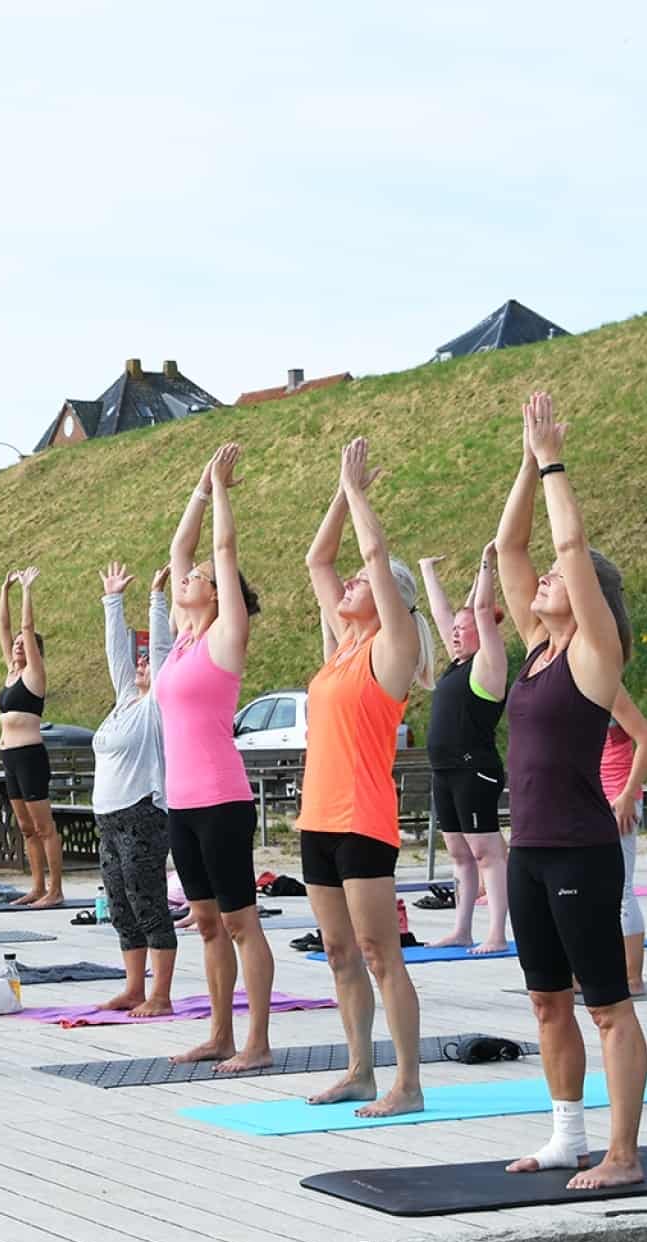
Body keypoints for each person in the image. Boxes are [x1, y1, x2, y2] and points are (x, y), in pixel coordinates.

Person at [495, 390, 647, 1190]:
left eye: (561, 578)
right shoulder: (535, 647)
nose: (545, 578)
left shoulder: (595, 655)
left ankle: (623, 1155)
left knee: (606, 1007)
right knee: (548, 1004)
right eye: (546, 579)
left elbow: (569, 540)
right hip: (529, 851)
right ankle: (568, 1138)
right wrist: (525, 461)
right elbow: (510, 545)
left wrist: (554, 459)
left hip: (584, 851)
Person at [299, 437, 437, 1116]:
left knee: (382, 954)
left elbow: (375, 560)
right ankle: (357, 1069)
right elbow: (317, 559)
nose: (347, 582)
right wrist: (338, 487)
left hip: (362, 818)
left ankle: (406, 1083)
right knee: (337, 953)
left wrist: (359, 494)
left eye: (361, 584)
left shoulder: (392, 648)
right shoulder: (343, 644)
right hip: (318, 817)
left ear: (391, 602)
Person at [158, 442, 274, 1074]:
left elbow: (221, 553)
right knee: (204, 923)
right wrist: (199, 490)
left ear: (220, 593)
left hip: (223, 800)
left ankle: (256, 1041)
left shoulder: (226, 637)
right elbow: (181, 551)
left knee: (238, 921)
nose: (189, 576)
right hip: (182, 801)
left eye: (199, 578)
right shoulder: (182, 638)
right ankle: (220, 1033)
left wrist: (224, 491)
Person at [90, 560, 177, 1017]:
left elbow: (160, 651)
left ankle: (160, 994)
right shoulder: (125, 700)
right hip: (108, 819)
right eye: (137, 660)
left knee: (148, 903)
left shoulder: (156, 706)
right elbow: (115, 655)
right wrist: (112, 600)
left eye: (145, 662)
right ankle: (132, 987)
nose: (140, 664)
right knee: (120, 906)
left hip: (142, 814)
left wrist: (157, 598)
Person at [420, 547, 510, 953]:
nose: (455, 632)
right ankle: (462, 928)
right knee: (458, 852)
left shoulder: (488, 664)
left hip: (475, 769)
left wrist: (486, 566)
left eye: (464, 626)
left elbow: (484, 607)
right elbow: (443, 615)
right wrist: (427, 571)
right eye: (453, 628)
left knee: (486, 851)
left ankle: (496, 932)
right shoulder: (457, 664)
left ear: (482, 628)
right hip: (445, 770)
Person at [0, 568, 63, 906]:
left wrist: (26, 590)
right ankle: (37, 887)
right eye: (16, 646)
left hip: (29, 757)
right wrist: (3, 590)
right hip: (9, 757)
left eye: (25, 644)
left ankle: (55, 890)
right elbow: (5, 629)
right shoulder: (11, 672)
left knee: (43, 826)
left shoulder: (34, 675)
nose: (18, 645)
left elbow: (23, 627)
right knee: (25, 828)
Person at [600, 688, 647, 996]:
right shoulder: (579, 687)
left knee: (620, 887)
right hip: (589, 798)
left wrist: (627, 795)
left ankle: (632, 977)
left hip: (617, 799)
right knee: (591, 890)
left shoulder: (612, 690)